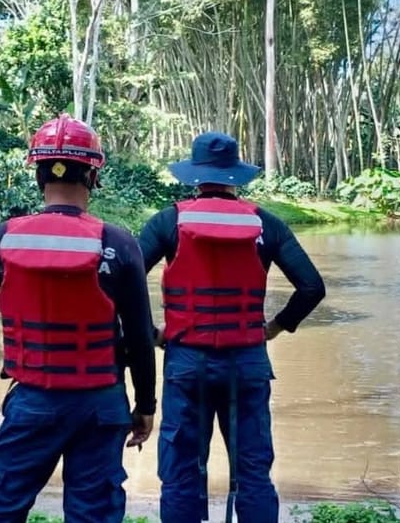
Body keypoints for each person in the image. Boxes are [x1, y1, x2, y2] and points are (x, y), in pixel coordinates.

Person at [0, 114, 156, 523]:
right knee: (94, 513)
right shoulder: (119, 242)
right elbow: (140, 336)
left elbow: (13, 301)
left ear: (38, 174)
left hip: (32, 397)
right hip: (101, 401)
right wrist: (145, 406)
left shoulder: (5, 237)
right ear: (92, 175)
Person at [138, 131, 326, 523]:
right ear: (236, 176)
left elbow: (125, 284)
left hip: (186, 363)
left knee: (181, 475)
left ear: (194, 175)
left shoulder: (168, 222)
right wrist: (274, 328)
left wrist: (153, 333)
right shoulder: (267, 225)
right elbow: (311, 288)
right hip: (248, 363)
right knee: (253, 474)